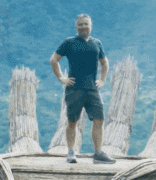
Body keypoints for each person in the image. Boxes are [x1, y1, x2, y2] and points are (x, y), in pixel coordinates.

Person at [49, 14, 115, 164]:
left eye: (86, 24)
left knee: (99, 119)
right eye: (80, 24)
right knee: (73, 121)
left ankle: (98, 153)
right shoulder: (69, 42)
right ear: (76, 27)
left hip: (92, 89)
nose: (83, 27)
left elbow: (104, 63)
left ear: (91, 26)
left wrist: (103, 79)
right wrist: (61, 78)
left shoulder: (97, 43)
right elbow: (53, 60)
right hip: (74, 88)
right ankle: (71, 152)